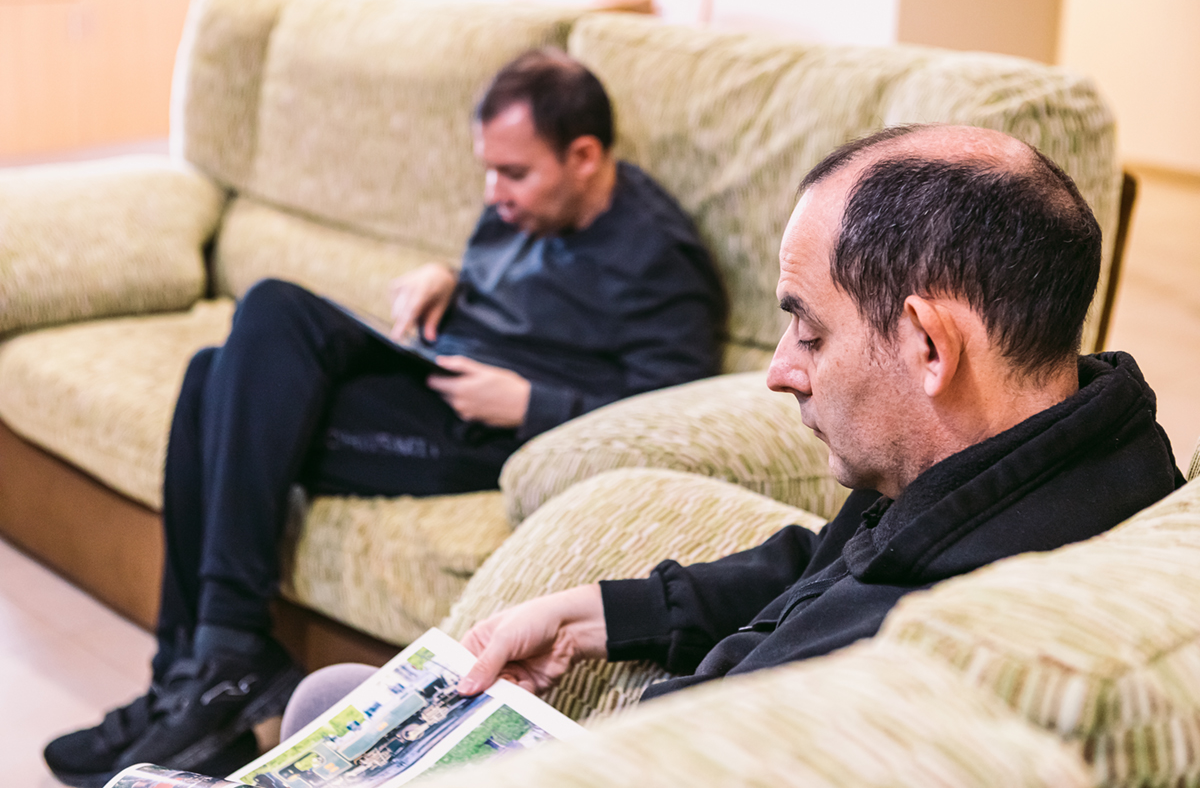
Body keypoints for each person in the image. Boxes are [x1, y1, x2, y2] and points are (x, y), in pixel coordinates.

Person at [277, 123, 1183, 736]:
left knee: (328, 706)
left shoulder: (925, 649)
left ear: (930, 346)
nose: (780, 368)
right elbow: (836, 561)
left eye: (809, 330)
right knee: (331, 696)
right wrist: (597, 615)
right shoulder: (1054, 451)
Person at [43, 49, 725, 787]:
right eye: (488, 170)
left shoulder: (662, 260)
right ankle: (186, 672)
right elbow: (529, 285)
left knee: (254, 331)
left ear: (585, 156)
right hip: (432, 369)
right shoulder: (521, 209)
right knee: (220, 366)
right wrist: (449, 280)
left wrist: (533, 405)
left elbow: (669, 414)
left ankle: (222, 658)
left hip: (481, 426)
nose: (494, 193)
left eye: (514, 173)